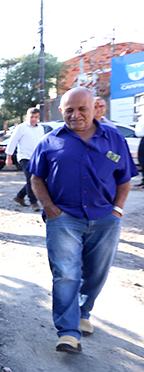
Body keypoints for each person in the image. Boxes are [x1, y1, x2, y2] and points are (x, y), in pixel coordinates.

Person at [28, 87, 137, 353]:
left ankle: (84, 313)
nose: (75, 115)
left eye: (81, 109)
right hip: (64, 218)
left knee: (96, 272)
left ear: (95, 108)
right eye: (69, 110)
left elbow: (124, 179)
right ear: (62, 111)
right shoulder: (50, 141)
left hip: (104, 219)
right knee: (65, 274)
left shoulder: (114, 139)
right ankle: (68, 332)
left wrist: (117, 211)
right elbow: (36, 178)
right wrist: (49, 207)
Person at [5, 108, 46, 210]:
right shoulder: (21, 128)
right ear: (27, 116)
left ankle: (20, 196)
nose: (33, 119)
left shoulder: (40, 128)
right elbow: (12, 142)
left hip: (37, 157)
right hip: (25, 157)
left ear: (39, 117)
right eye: (31, 117)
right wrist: (8, 157)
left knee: (37, 179)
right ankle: (33, 202)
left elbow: (43, 143)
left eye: (36, 117)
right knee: (30, 179)